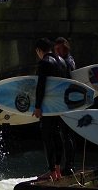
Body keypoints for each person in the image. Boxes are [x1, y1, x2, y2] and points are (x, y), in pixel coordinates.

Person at [33, 38, 69, 180]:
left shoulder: (44, 62)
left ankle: (51, 171)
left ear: (39, 50)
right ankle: (58, 169)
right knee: (57, 135)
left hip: (48, 106)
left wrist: (37, 107)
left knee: (48, 137)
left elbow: (41, 85)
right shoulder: (62, 61)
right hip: (60, 105)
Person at [53, 37, 75, 175]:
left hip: (66, 102)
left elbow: (64, 80)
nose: (58, 51)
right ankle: (66, 166)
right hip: (65, 102)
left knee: (66, 135)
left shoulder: (67, 61)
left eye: (59, 49)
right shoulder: (66, 60)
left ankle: (68, 166)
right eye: (56, 49)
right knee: (65, 135)